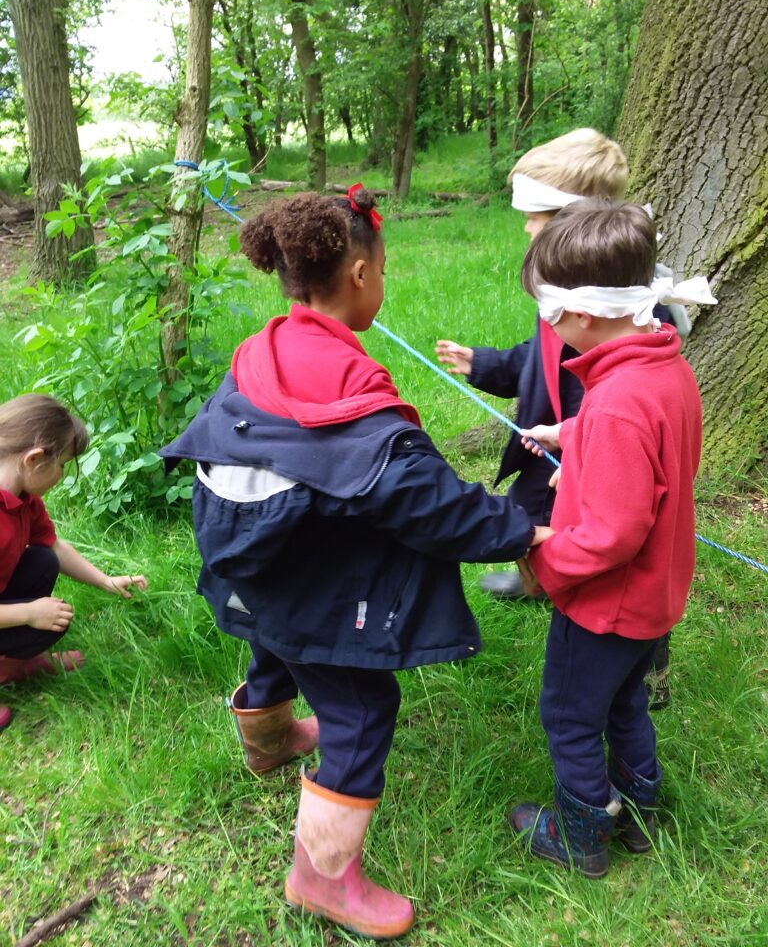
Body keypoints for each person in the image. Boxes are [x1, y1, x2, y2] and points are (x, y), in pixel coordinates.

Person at [160, 185, 553, 940]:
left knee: (276, 624)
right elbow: (427, 502)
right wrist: (521, 530)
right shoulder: (347, 386)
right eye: (386, 266)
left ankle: (267, 738)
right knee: (362, 706)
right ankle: (322, 877)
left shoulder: (268, 342)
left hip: (247, 548)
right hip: (290, 558)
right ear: (363, 275)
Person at [506, 199, 715, 877]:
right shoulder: (661, 369)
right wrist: (571, 434)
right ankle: (640, 814)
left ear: (584, 314)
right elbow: (649, 448)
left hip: (605, 606)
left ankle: (582, 836)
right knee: (626, 704)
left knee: (569, 716)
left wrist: (540, 556)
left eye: (548, 312)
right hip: (655, 599)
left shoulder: (619, 399)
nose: (546, 325)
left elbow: (612, 535)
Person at [434, 127, 676, 709]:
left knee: (625, 555)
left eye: (536, 216)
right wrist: (485, 365)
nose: (525, 228)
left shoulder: (622, 307)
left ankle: (648, 662)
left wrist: (585, 459)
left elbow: (621, 405)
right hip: (555, 447)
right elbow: (538, 357)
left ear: (576, 221)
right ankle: (536, 579)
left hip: (598, 458)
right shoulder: (567, 288)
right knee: (525, 515)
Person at [0, 394, 148, 730]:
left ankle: (8, 664)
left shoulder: (23, 498)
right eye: (63, 464)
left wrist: (106, 580)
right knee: (45, 616)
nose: (63, 474)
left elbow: (53, 547)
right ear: (35, 459)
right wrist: (28, 613)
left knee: (41, 561)